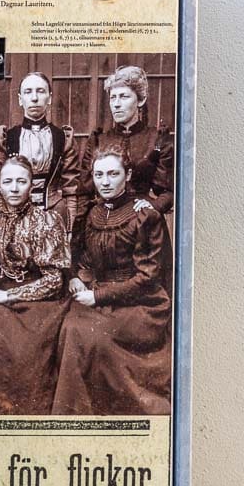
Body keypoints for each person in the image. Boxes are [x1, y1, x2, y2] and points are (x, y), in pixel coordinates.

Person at [52, 144, 173, 415]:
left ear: (127, 175)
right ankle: (74, 418)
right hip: (98, 292)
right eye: (98, 175)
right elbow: (76, 254)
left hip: (141, 304)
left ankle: (109, 412)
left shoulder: (144, 215)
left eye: (113, 174)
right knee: (69, 326)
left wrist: (98, 296)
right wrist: (74, 277)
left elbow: (148, 279)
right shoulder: (91, 214)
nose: (105, 182)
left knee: (93, 337)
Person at [0, 156, 71, 414]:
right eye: (7, 181)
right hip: (0, 292)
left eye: (21, 181)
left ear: (32, 185)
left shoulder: (48, 220)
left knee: (28, 347)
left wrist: (9, 295)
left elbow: (54, 280)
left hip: (41, 300)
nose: (14, 188)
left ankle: (33, 413)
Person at [0, 72, 82, 232]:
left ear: (49, 98)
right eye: (28, 92)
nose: (34, 98)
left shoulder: (62, 137)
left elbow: (71, 188)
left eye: (40, 91)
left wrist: (69, 227)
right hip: (13, 217)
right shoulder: (7, 138)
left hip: (54, 216)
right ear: (20, 99)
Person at [94, 65, 175, 213]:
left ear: (141, 100)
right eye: (113, 97)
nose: (117, 104)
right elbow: (84, 194)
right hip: (105, 221)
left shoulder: (157, 139)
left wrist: (154, 206)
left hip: (142, 219)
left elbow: (168, 192)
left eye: (124, 96)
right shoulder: (100, 140)